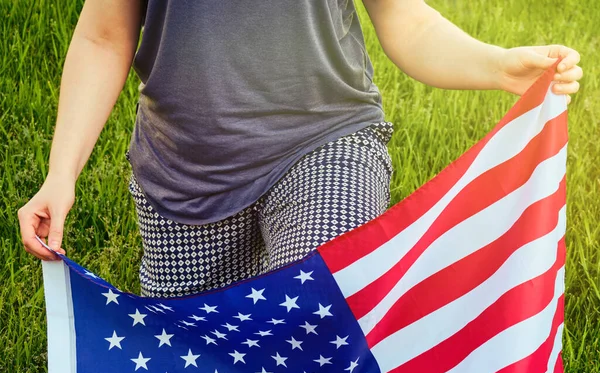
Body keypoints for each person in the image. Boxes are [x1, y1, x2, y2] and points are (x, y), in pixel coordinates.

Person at [18, 0, 582, 299]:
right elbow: (103, 35)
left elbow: (405, 19)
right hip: (187, 174)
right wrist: (60, 173)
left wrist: (497, 65)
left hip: (324, 143)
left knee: (312, 319)